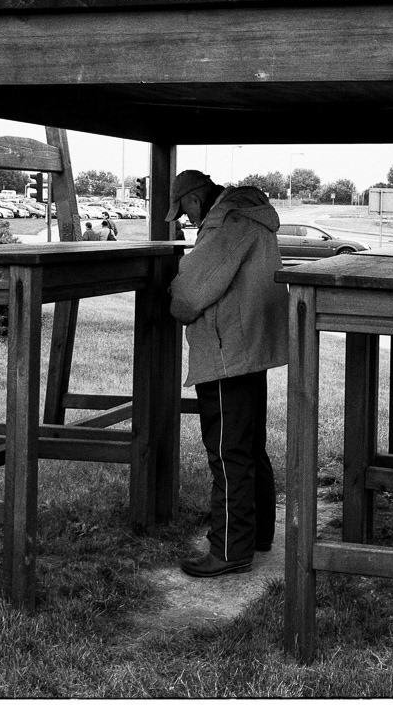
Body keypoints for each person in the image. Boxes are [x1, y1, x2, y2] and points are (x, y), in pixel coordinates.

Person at [165, 169, 288, 578]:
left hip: (225, 352)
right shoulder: (252, 215)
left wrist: (173, 298)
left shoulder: (226, 223)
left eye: (184, 212)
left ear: (194, 200)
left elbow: (190, 293)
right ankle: (257, 534)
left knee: (226, 450)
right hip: (250, 347)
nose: (188, 220)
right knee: (249, 445)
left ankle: (230, 549)